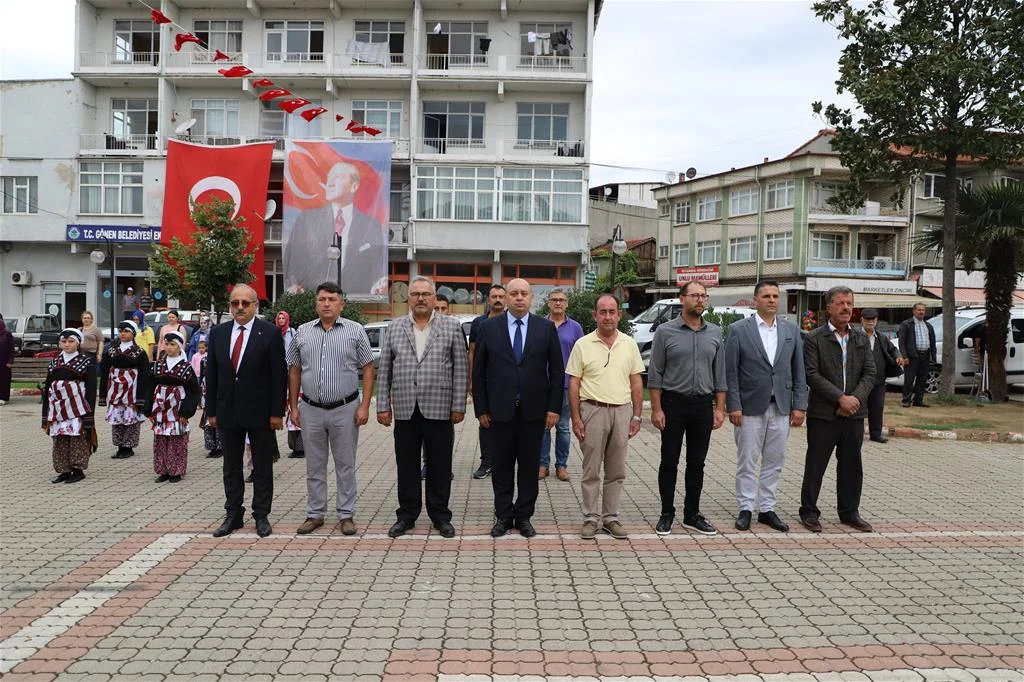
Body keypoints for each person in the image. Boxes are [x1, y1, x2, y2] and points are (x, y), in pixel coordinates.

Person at [376, 276, 468, 538]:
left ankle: (440, 516)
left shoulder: (451, 327)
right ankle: (407, 515)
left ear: (434, 297)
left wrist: (458, 405)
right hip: (405, 408)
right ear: (409, 298)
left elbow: (461, 370)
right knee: (406, 465)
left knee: (440, 466)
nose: (420, 298)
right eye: (415, 294)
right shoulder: (394, 328)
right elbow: (386, 370)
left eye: (425, 294)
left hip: (439, 408)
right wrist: (383, 405)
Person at [473, 278, 563, 538]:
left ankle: (523, 516)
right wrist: (481, 408)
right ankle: (503, 516)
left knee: (528, 467)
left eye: (524, 293)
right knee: (500, 467)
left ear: (532, 297)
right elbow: (479, 373)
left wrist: (554, 407)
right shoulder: (489, 328)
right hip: (499, 412)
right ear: (506, 297)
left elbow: (557, 372)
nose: (519, 298)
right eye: (514, 293)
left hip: (534, 412)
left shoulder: (545, 329)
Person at [288, 282, 375, 536]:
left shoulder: (355, 331)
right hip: (310, 408)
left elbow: (368, 367)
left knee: (345, 464)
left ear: (341, 304)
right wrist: (294, 407)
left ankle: (346, 514)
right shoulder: (302, 332)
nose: (327, 304)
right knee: (314, 464)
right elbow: (293, 369)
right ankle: (315, 513)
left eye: (332, 299)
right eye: (322, 299)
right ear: (316, 303)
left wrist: (365, 406)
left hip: (345, 409)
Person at [724, 281, 807, 533]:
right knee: (747, 460)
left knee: (775, 460)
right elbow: (731, 372)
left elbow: (798, 371)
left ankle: (767, 509)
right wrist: (733, 405)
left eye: (775, 296)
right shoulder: (739, 330)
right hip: (749, 407)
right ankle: (746, 508)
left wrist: (799, 405)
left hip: (781, 406)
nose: (772, 300)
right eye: (766, 296)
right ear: (755, 300)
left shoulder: (791, 330)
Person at [206, 284, 287, 538]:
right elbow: (212, 374)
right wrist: (211, 411)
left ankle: (261, 514)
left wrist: (277, 412)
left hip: (261, 412)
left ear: (255, 305)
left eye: (245, 303)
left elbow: (279, 376)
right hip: (227, 409)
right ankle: (233, 513)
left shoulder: (270, 333)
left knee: (262, 465)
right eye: (234, 303)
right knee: (231, 465)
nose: (239, 307)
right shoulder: (218, 333)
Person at [648, 281, 727, 536]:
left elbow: (720, 375)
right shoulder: (665, 332)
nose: (700, 300)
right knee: (669, 461)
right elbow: (655, 373)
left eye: (704, 296)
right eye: (695, 295)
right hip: (673, 404)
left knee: (697, 462)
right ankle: (666, 513)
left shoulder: (715, 332)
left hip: (703, 405)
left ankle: (692, 514)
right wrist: (657, 409)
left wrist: (720, 408)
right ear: (682, 299)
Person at [566, 294, 645, 540]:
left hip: (622, 411)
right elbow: (574, 383)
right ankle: (590, 518)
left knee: (616, 470)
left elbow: (636, 381)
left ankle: (611, 518)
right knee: (591, 470)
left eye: (612, 311)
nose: (608, 316)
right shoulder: (582, 344)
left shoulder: (629, 344)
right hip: (592, 410)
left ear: (619, 315)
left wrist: (637, 415)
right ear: (595, 315)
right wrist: (576, 417)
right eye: (603, 312)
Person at [800, 285, 877, 533]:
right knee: (816, 464)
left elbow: (870, 372)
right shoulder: (814, 338)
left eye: (849, 303)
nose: (846, 308)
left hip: (854, 414)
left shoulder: (860, 337)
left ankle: (849, 512)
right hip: (824, 414)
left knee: (851, 466)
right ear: (829, 307)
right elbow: (811, 374)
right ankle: (809, 512)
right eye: (841, 303)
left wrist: (854, 399)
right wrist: (839, 399)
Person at [284, 162, 387, 296]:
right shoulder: (306, 220)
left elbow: (376, 268)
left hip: (356, 301)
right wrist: (293, 286)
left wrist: (378, 285)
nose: (330, 183)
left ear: (354, 187)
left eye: (338, 177)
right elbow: (291, 259)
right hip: (314, 300)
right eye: (329, 177)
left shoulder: (371, 225)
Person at [539, 287, 584, 481]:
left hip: (567, 385)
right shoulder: (539, 324)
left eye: (561, 300)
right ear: (548, 303)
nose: (558, 303)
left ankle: (561, 466)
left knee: (564, 427)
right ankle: (542, 464)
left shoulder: (575, 328)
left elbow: (583, 358)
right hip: (542, 385)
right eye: (554, 299)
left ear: (567, 303)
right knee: (543, 427)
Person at [41, 329, 97, 484]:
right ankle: (63, 470)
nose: (67, 344)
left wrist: (89, 414)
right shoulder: (54, 363)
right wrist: (45, 414)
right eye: (64, 342)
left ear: (78, 343)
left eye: (71, 341)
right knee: (59, 438)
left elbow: (91, 390)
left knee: (76, 437)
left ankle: (78, 469)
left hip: (77, 408)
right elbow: (47, 388)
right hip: (57, 408)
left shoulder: (86, 362)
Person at [144, 331, 200, 483]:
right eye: (167, 344)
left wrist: (186, 412)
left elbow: (194, 391)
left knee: (176, 440)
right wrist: (148, 409)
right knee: (161, 439)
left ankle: (176, 470)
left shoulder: (186, 368)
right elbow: (149, 387)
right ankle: (163, 470)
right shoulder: (157, 366)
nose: (169, 347)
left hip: (177, 408)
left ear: (180, 347)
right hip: (160, 409)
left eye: (172, 344)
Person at [468, 284, 506, 479]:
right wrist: (472, 380)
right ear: (488, 300)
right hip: (486, 381)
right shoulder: (479, 324)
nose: (498, 299)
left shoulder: (513, 322)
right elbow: (473, 352)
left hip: (509, 384)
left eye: (501, 296)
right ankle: (487, 462)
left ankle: (506, 461)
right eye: (494, 296)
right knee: (485, 422)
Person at [99, 320, 150, 460]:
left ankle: (128, 447)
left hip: (132, 390)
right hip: (115, 389)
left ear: (133, 334)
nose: (123, 334)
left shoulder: (140, 353)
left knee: (130, 417)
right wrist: (103, 395)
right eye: (121, 331)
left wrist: (141, 397)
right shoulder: (111, 351)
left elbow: (145, 375)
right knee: (117, 417)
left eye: (126, 331)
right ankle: (119, 445)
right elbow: (104, 371)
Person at [861, 309, 905, 443]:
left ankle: (876, 434)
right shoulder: (854, 335)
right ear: (861, 320)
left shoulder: (881, 337)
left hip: (878, 379)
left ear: (876, 321)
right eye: (867, 319)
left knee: (877, 407)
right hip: (859, 380)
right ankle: (854, 435)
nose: (870, 322)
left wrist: (898, 357)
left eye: (873, 320)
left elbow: (893, 349)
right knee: (857, 408)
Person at [274, 311, 304, 459]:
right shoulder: (273, 332)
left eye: (283, 318)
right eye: (278, 318)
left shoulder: (292, 332)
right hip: (278, 368)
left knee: (295, 402)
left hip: (292, 366)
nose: (280, 320)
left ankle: (300, 446)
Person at [897, 303, 936, 408]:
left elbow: (932, 342)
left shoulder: (928, 325)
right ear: (913, 311)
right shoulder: (906, 324)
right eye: (919, 310)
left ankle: (918, 400)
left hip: (925, 355)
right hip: (912, 356)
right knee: (909, 379)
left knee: (922, 379)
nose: (921, 312)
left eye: (923, 310)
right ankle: (906, 400)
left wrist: (933, 356)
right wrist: (905, 356)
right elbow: (902, 342)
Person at [197, 346, 223, 459]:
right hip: (208, 393)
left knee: (220, 422)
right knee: (208, 422)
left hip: (221, 394)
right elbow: (202, 376)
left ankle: (220, 447)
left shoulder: (225, 358)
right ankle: (212, 446)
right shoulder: (204, 360)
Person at [0, 319, 14, 406]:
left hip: (4, 362)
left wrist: (10, 361)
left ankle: (3, 397)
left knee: (4, 380)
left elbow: (11, 349)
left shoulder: (7, 334)